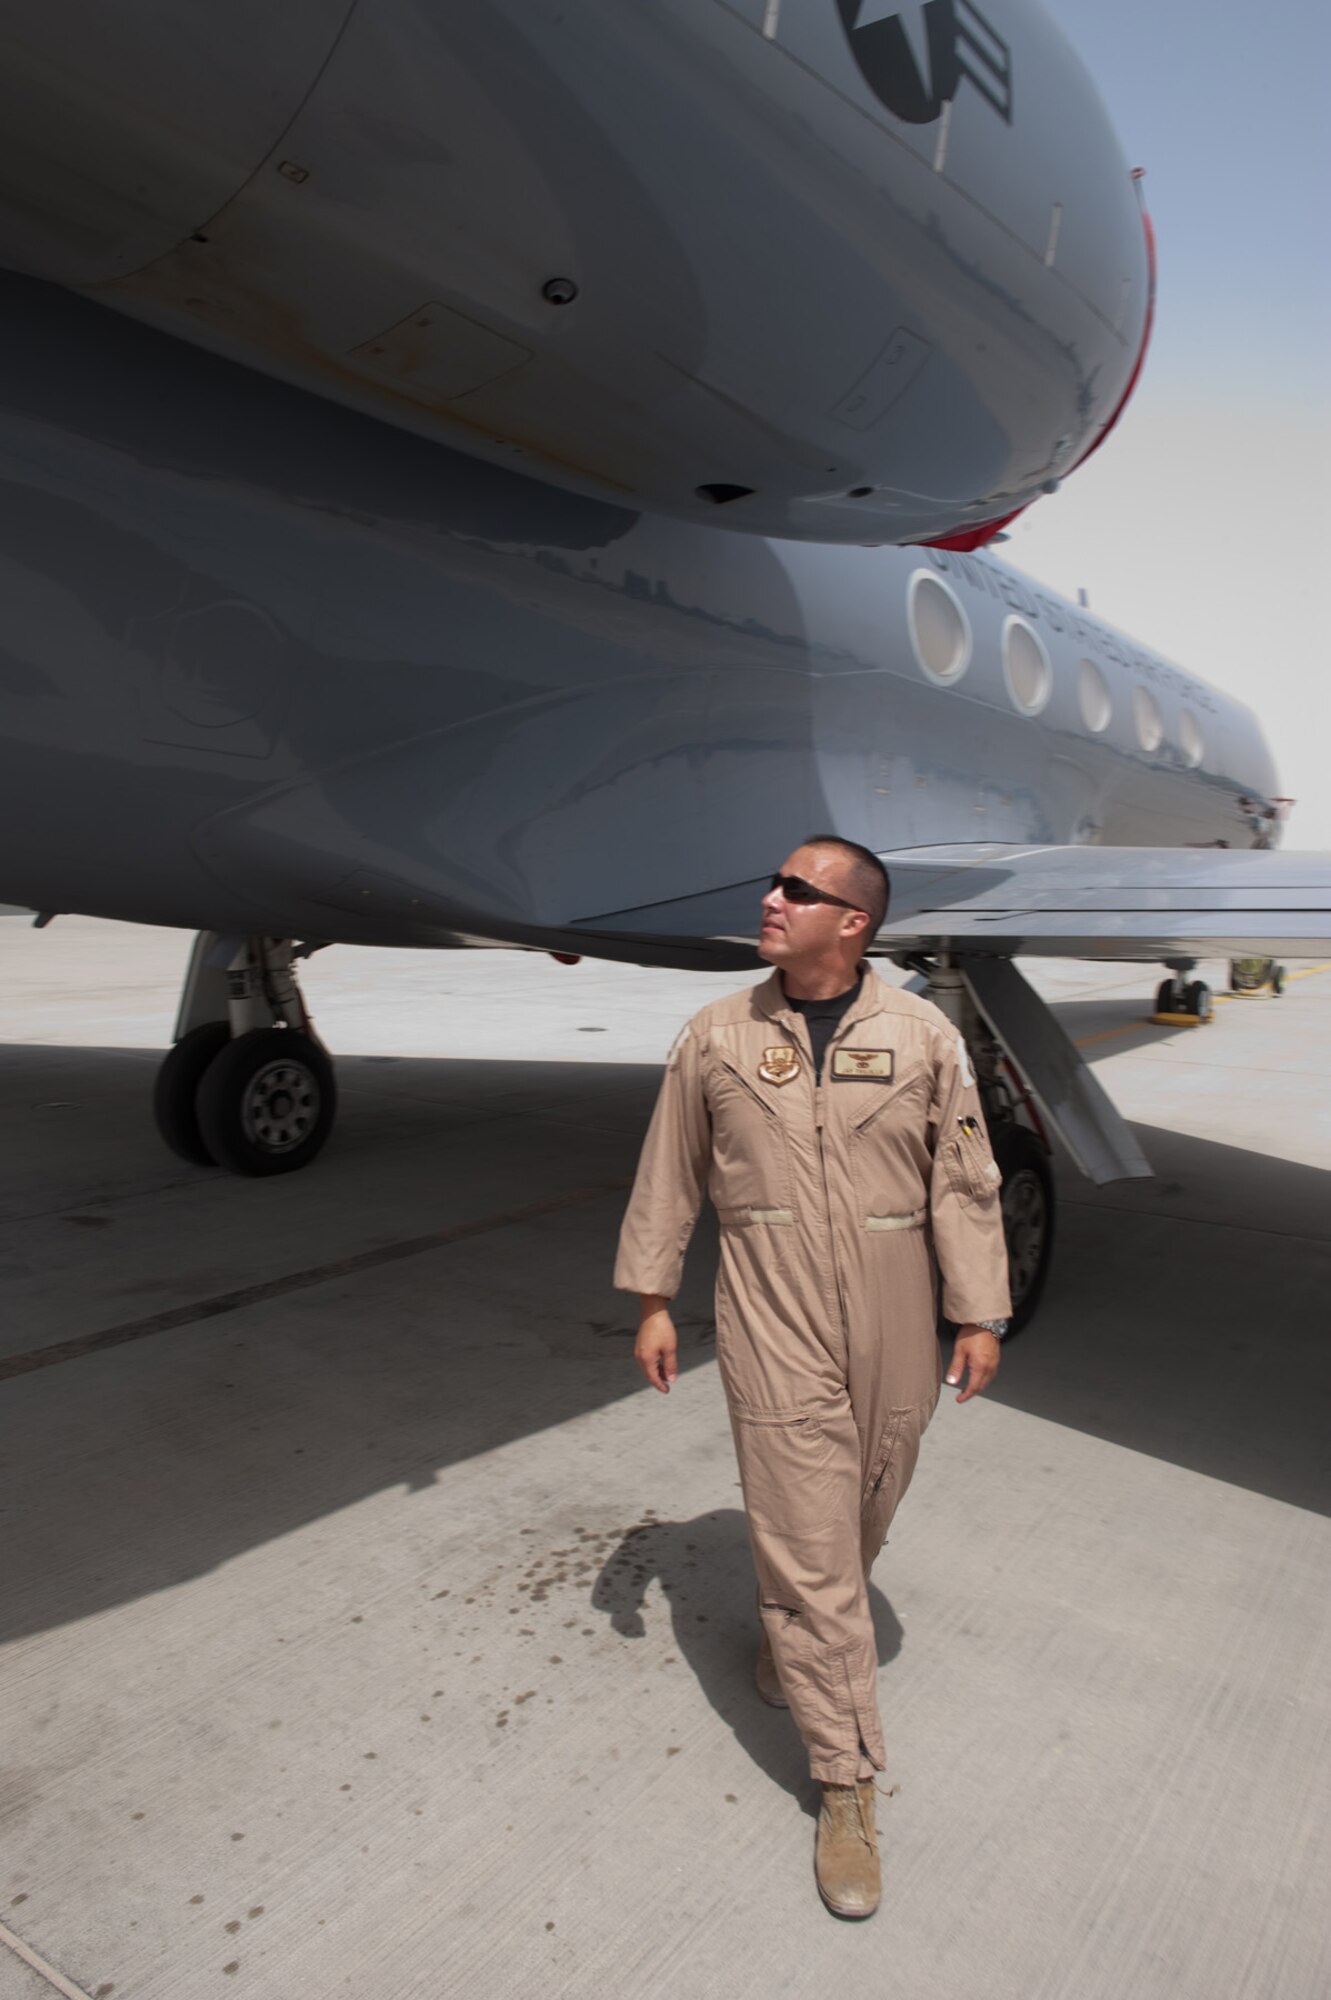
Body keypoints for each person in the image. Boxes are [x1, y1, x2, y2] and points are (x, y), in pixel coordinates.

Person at [613, 836, 1012, 1919]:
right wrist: (651, 1295)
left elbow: (964, 1179)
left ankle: (798, 1633)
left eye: (798, 889)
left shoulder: (921, 1033)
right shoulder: (715, 1034)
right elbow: (668, 1169)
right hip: (770, 1295)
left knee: (869, 1491)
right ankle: (844, 1781)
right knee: (804, 1528)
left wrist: (976, 1308)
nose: (770, 898)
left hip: (894, 1298)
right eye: (774, 883)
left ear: (854, 922)